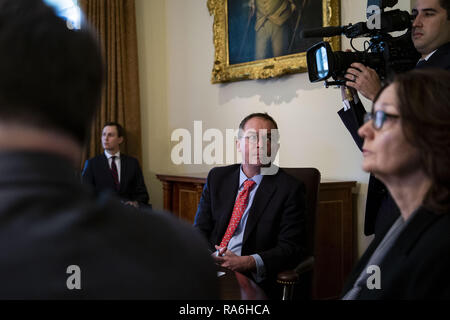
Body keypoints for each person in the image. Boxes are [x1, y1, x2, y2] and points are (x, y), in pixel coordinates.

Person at [0, 0, 217, 299]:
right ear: (87, 109)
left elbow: (141, 197)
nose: (106, 138)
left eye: (111, 134)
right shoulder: (181, 255)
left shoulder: (132, 166)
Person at [338, 0, 450, 238]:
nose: (416, 23)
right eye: (414, 14)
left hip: (427, 212)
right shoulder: (407, 66)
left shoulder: (442, 73)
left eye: (428, 14)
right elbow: (379, 146)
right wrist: (351, 99)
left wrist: (379, 95)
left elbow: (428, 139)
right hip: (390, 210)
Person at [341, 69, 450, 299]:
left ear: (432, 131)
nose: (364, 130)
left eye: (382, 118)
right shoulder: (398, 221)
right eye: (371, 118)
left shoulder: (442, 246)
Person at [194, 112, 306, 299]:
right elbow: (200, 229)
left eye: (268, 139)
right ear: (238, 144)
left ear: (276, 147)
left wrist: (246, 262)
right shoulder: (217, 178)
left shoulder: (290, 189)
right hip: (210, 267)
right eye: (252, 137)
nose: (260, 145)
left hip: (252, 278)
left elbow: (291, 248)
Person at [82, 122, 150, 209]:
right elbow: (84, 194)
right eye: (103, 134)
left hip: (128, 214)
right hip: (103, 214)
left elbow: (143, 195)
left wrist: (135, 203)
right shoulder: (92, 163)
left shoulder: (132, 163)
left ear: (120, 139)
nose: (105, 138)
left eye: (110, 135)